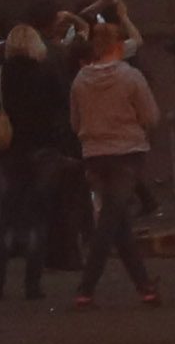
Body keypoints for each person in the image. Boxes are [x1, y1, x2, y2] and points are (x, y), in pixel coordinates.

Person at [70, 21, 163, 306]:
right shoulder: (131, 77)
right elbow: (151, 116)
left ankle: (145, 286)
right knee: (110, 220)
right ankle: (85, 288)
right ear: (118, 46)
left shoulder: (80, 81)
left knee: (118, 221)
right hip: (127, 152)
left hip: (95, 154)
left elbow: (75, 122)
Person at [0, 20, 68, 300]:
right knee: (38, 218)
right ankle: (32, 285)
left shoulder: (0, 74)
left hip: (10, 150)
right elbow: (62, 108)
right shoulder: (46, 74)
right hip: (43, 149)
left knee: (7, 217)